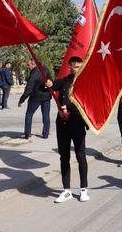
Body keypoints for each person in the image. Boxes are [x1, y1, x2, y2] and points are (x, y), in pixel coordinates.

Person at [45, 56, 90, 203]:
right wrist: (48, 82)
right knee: (64, 157)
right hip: (63, 124)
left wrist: (67, 107)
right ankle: (66, 190)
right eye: (74, 66)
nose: (76, 69)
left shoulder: (85, 83)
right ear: (70, 67)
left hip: (77, 122)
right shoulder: (64, 81)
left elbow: (86, 103)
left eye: (79, 66)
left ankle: (84, 189)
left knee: (80, 155)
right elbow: (49, 87)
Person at [18, 60, 52, 139]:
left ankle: (27, 133)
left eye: (28, 65)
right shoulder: (45, 69)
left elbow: (28, 89)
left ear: (34, 65)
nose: (27, 67)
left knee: (29, 114)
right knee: (46, 115)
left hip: (35, 97)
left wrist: (21, 100)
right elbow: (50, 80)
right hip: (46, 96)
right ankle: (45, 134)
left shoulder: (33, 74)